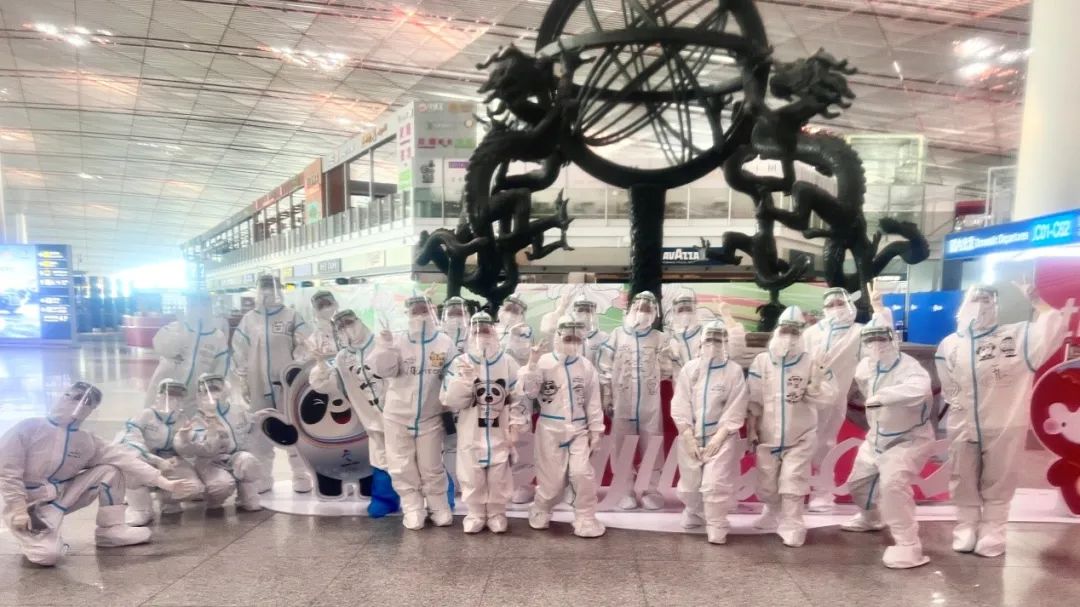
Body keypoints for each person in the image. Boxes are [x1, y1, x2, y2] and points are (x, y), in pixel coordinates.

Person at [0, 382, 198, 566]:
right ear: (62, 396)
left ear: (92, 409)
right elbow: (7, 471)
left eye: (87, 402)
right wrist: (18, 509)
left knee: (110, 471)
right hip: (29, 506)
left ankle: (111, 530)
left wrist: (164, 482)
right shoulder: (29, 428)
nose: (80, 404)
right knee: (47, 556)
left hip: (62, 498)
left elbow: (124, 458)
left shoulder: (86, 441)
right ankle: (35, 537)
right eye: (75, 397)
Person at [936, 283, 1066, 557]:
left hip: (1004, 422)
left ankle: (993, 530)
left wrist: (1038, 302)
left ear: (997, 305)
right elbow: (948, 384)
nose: (981, 305)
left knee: (1000, 478)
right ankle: (966, 526)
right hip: (962, 424)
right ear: (963, 304)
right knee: (962, 476)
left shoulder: (1016, 337)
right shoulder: (949, 344)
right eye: (975, 299)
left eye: (987, 300)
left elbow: (1052, 329)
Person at [843, 325, 934, 568]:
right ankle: (871, 518)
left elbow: (919, 390)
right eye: (871, 339)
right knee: (858, 484)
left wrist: (884, 397)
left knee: (893, 485)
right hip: (876, 437)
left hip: (908, 438)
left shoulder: (911, 368)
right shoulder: (865, 367)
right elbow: (864, 389)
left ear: (893, 339)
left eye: (882, 338)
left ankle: (908, 543)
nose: (877, 344)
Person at [747, 306, 838, 547]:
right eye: (785, 330)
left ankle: (793, 524)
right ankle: (772, 510)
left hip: (800, 436)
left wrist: (814, 388)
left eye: (795, 332)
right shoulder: (762, 362)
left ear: (802, 334)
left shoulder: (812, 362)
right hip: (767, 436)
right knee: (767, 484)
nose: (789, 337)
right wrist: (751, 429)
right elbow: (754, 399)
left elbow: (829, 394)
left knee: (792, 480)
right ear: (777, 331)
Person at [369, 294, 458, 530]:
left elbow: (453, 375)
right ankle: (412, 507)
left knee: (431, 465)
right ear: (407, 314)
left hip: (430, 416)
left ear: (432, 312)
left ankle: (438, 506)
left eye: (424, 310)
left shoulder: (444, 343)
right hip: (397, 416)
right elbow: (384, 371)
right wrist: (385, 346)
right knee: (401, 465)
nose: (420, 315)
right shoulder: (397, 340)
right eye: (415, 311)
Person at [803, 285, 893, 512]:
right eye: (831, 304)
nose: (836, 308)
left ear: (850, 304)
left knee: (825, 444)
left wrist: (879, 309)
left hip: (835, 398)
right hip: (806, 396)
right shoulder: (811, 333)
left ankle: (822, 492)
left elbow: (882, 343)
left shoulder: (858, 333)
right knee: (800, 443)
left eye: (840, 303)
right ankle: (795, 491)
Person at [519, 316, 606, 538]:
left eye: (576, 339)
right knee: (552, 481)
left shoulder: (585, 366)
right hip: (550, 428)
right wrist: (532, 365)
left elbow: (593, 401)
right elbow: (530, 392)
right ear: (557, 337)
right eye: (568, 338)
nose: (572, 343)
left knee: (582, 473)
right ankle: (541, 508)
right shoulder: (544, 362)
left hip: (578, 429)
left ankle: (585, 516)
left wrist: (596, 430)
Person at [309, 309, 400, 518]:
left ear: (360, 321)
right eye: (340, 326)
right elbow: (324, 384)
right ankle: (385, 500)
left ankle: (431, 502)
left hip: (402, 416)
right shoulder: (343, 358)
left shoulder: (383, 343)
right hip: (373, 422)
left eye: (349, 322)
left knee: (416, 459)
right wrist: (320, 364)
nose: (346, 328)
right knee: (381, 460)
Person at [442, 312, 527, 533]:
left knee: (500, 474)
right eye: (477, 330)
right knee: (472, 475)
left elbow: (518, 398)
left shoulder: (508, 363)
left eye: (486, 330)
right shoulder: (460, 363)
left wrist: (515, 426)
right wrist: (465, 380)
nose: (482, 334)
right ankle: (476, 513)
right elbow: (451, 400)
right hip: (470, 432)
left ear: (494, 332)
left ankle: (497, 513)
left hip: (500, 432)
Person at [230, 273, 313, 493]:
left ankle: (301, 474)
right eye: (263, 287)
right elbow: (239, 350)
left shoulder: (291, 316)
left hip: (287, 384)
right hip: (257, 384)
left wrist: (297, 368)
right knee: (260, 430)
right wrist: (243, 378)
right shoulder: (249, 320)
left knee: (292, 426)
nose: (267, 291)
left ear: (279, 289)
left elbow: (307, 344)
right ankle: (264, 476)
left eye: (271, 286)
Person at [670, 319, 750, 544]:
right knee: (690, 484)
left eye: (718, 339)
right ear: (701, 342)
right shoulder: (690, 369)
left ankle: (716, 523)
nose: (713, 344)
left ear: (725, 342)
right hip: (691, 435)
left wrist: (719, 437)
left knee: (715, 484)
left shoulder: (733, 371)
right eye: (709, 339)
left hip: (721, 437)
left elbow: (736, 407)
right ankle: (694, 512)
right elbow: (681, 403)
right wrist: (687, 435)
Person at [599, 290, 672, 510]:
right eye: (639, 307)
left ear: (655, 312)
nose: (643, 312)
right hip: (621, 401)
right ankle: (624, 489)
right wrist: (607, 395)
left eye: (648, 309)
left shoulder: (660, 338)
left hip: (650, 404)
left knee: (653, 443)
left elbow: (667, 370)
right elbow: (605, 367)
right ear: (631, 309)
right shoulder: (617, 335)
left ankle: (651, 489)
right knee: (621, 444)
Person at [174, 374, 265, 512]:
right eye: (207, 391)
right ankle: (213, 499)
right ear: (200, 395)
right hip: (210, 462)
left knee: (248, 462)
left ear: (225, 390)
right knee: (220, 486)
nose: (213, 395)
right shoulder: (196, 420)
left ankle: (246, 497)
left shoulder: (237, 411)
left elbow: (249, 428)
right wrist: (211, 423)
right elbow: (206, 449)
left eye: (216, 389)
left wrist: (259, 419)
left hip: (234, 456)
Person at [119, 379, 204, 525]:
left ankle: (167, 499)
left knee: (193, 487)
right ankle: (140, 508)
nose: (174, 400)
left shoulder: (182, 419)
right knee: (131, 468)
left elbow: (193, 445)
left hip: (171, 461)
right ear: (159, 395)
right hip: (145, 458)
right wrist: (156, 460)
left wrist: (184, 444)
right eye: (169, 395)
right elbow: (130, 441)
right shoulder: (145, 415)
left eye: (178, 397)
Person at [145, 292, 229, 412]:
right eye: (194, 303)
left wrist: (214, 394)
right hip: (165, 393)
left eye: (204, 303)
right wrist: (178, 336)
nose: (199, 308)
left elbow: (221, 370)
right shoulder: (175, 328)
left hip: (196, 399)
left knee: (189, 422)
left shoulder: (217, 337)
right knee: (160, 420)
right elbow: (160, 347)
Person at [499, 294, 539, 505]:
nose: (511, 313)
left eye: (516, 310)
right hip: (494, 392)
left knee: (521, 436)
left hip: (519, 392)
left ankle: (523, 485)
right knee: (495, 437)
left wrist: (514, 335)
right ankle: (497, 483)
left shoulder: (525, 331)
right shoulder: (491, 330)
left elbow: (524, 355)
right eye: (508, 308)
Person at [667, 291, 703, 378]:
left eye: (688, 309)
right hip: (680, 383)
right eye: (681, 310)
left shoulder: (705, 333)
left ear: (695, 310)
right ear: (674, 312)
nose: (685, 313)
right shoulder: (669, 337)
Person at [572, 295, 610, 366]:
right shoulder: (567, 337)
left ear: (594, 313)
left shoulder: (603, 338)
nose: (584, 314)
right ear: (574, 312)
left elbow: (607, 365)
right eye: (580, 310)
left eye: (588, 310)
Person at [305, 290, 341, 361]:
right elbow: (314, 356)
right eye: (321, 306)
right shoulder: (312, 331)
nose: (325, 308)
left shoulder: (340, 326)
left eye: (328, 304)